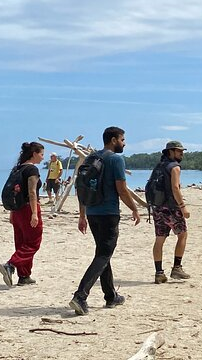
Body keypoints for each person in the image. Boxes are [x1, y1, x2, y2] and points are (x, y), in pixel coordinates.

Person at [69, 126, 141, 315]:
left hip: (92, 212)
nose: (124, 143)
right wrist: (134, 208)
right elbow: (122, 189)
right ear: (113, 140)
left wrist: (82, 214)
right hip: (108, 213)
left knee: (103, 253)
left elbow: (82, 187)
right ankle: (80, 296)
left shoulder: (92, 158)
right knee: (103, 254)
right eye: (122, 139)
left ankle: (110, 296)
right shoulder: (116, 159)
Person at [0, 141, 45, 287]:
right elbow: (32, 192)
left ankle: (24, 276)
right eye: (42, 154)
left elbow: (15, 191)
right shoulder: (32, 170)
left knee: (21, 243)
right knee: (33, 242)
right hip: (28, 209)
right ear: (34, 154)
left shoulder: (17, 169)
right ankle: (10, 265)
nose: (43, 158)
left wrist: (12, 213)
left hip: (17, 210)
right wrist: (34, 214)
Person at [152, 140, 191, 284]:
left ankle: (158, 272)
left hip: (158, 208)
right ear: (170, 152)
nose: (181, 153)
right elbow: (175, 188)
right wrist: (183, 207)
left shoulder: (159, 166)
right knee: (182, 235)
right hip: (172, 208)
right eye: (178, 151)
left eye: (182, 151)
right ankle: (176, 268)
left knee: (159, 239)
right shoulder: (174, 167)